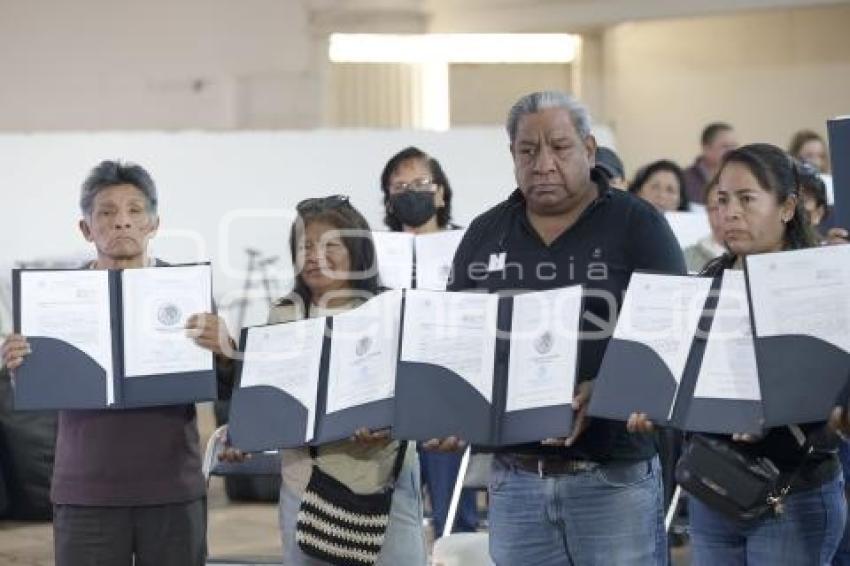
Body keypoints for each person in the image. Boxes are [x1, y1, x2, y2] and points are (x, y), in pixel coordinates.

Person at [429, 91, 686, 565]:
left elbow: (671, 335)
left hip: (613, 479)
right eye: (528, 150)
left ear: (588, 150)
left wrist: (605, 390)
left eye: (560, 147)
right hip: (516, 481)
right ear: (513, 156)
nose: (543, 163)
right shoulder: (486, 234)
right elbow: (459, 343)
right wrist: (449, 413)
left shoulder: (639, 224)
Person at [0, 160, 236, 566]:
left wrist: (226, 350)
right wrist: (17, 363)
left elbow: (225, 387)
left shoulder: (186, 294)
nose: (122, 222)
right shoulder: (54, 301)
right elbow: (35, 392)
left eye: (134, 211)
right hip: (85, 493)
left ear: (153, 223)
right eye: (106, 213)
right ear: (86, 228)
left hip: (171, 491)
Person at [629, 143, 850, 565]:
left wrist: (773, 411)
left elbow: (833, 391)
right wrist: (655, 405)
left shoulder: (819, 280)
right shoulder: (708, 279)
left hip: (792, 494)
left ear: (787, 207)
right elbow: (684, 373)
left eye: (747, 199)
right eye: (722, 200)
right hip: (713, 487)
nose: (730, 212)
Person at [225, 195, 427, 565]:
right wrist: (244, 431)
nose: (315, 255)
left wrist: (392, 422)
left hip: (385, 483)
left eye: (330, 244)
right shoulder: (284, 315)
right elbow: (269, 398)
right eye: (305, 246)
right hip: (306, 489)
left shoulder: (390, 311)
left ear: (357, 250)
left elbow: (418, 394)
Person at [379, 147, 477, 537]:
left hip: (446, 390)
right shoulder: (376, 252)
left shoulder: (468, 246)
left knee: (455, 515)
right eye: (400, 186)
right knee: (391, 516)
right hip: (392, 391)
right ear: (388, 198)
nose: (411, 192)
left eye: (420, 183)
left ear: (440, 192)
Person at [683, 122, 738, 205]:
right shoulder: (685, 180)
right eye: (725, 146)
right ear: (706, 148)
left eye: (734, 146)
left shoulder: (739, 179)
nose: (732, 151)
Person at [683, 178, 725, 272]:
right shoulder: (686, 258)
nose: (721, 214)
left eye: (725, 205)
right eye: (714, 208)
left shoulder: (758, 257)